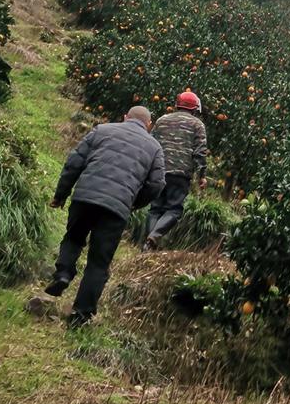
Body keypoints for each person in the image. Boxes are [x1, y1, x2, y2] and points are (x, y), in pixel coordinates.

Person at [44, 106, 165, 327]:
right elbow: (156, 185)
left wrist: (61, 195)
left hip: (85, 197)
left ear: (125, 117)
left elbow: (74, 163)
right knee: (98, 262)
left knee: (74, 237)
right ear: (150, 125)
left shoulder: (102, 130)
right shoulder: (154, 147)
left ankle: (63, 273)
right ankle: (80, 315)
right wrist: (133, 203)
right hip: (116, 209)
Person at [141, 89, 207, 252]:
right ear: (194, 109)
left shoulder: (162, 120)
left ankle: (148, 246)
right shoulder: (197, 124)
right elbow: (200, 152)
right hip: (180, 174)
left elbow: (151, 143)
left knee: (155, 208)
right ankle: (153, 237)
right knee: (174, 209)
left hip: (158, 171)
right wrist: (201, 176)